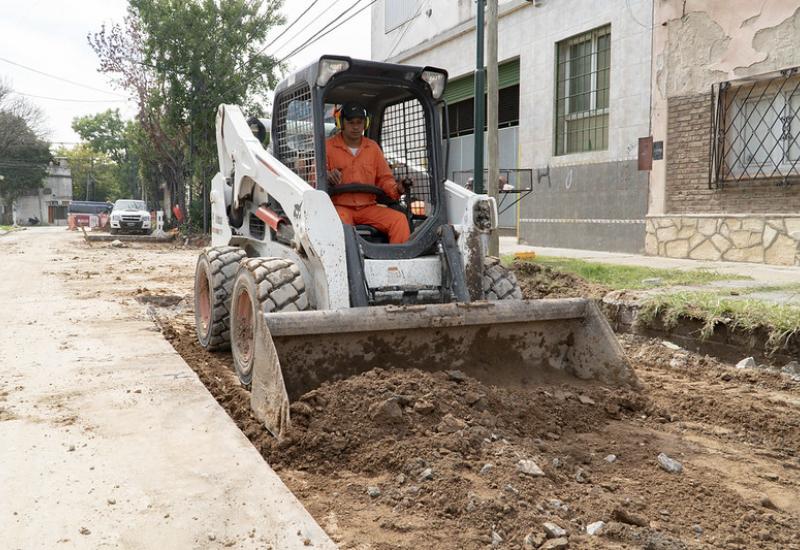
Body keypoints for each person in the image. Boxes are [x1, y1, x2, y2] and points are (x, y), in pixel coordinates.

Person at [325, 102, 410, 244]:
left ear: (365, 123)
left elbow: (384, 179)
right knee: (342, 227)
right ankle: (349, 264)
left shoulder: (373, 148)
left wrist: (397, 189)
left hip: (367, 206)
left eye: (359, 122)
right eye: (351, 122)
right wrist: (327, 177)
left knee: (399, 220)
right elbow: (315, 178)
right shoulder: (327, 147)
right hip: (340, 206)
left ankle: (399, 263)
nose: (356, 126)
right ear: (341, 123)